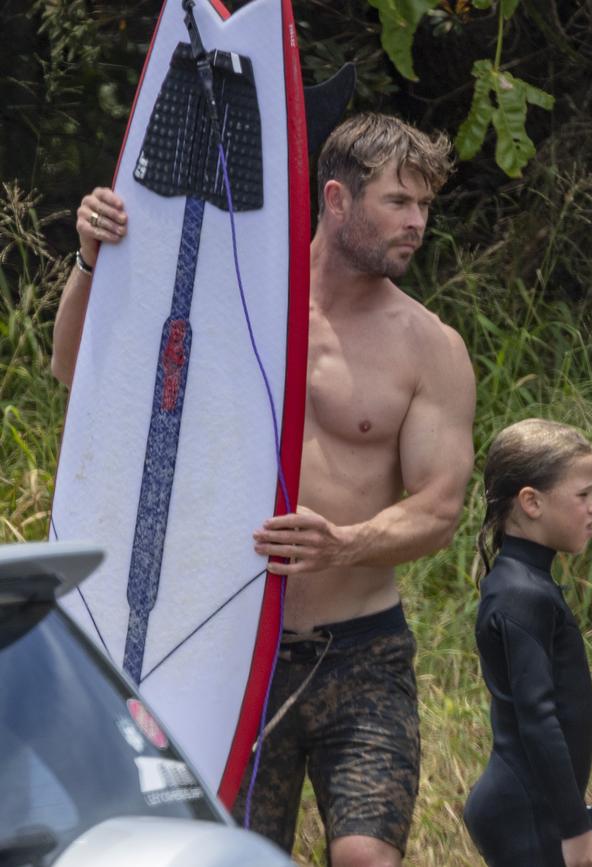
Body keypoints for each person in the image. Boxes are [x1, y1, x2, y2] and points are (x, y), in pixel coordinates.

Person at [51, 113, 476, 867]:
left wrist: (347, 542)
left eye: (424, 208)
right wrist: (93, 261)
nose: (417, 223)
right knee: (236, 855)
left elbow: (440, 508)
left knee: (364, 856)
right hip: (232, 645)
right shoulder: (231, 301)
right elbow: (77, 368)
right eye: (398, 202)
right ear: (337, 199)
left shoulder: (429, 345)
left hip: (362, 650)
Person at [463, 418, 592, 867]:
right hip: (524, 813)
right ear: (531, 502)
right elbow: (538, 719)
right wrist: (576, 830)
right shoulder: (521, 593)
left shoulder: (524, 583)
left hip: (529, 807)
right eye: (582, 494)